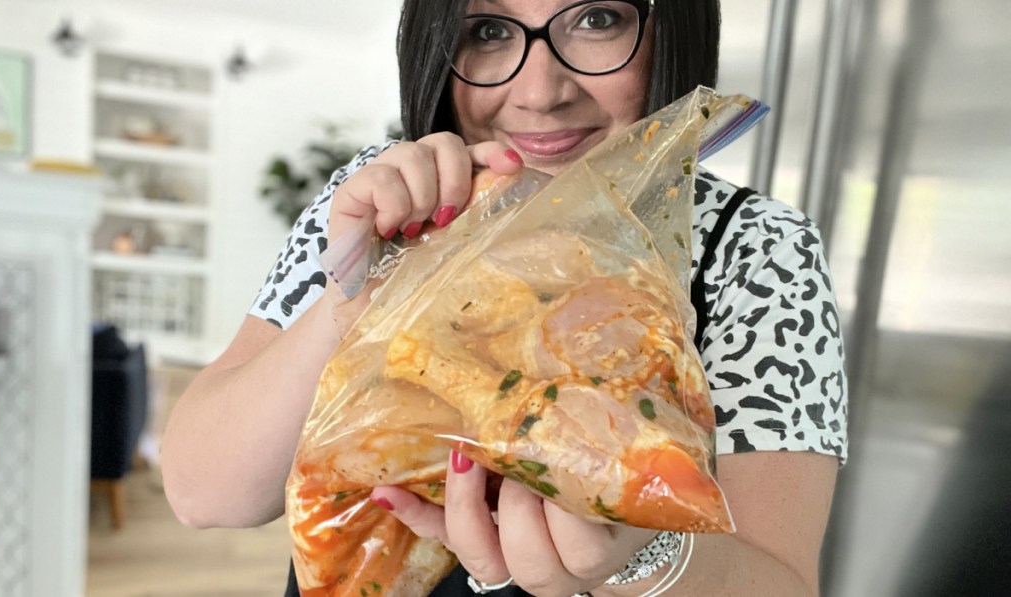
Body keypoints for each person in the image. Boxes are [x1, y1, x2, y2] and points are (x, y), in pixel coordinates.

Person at [162, 1, 847, 595]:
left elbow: (780, 582)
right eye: (488, 30)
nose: (539, 90)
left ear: (672, 28)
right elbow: (205, 492)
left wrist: (645, 554)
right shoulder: (379, 195)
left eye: (597, 20)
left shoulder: (753, 248)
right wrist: (360, 295)